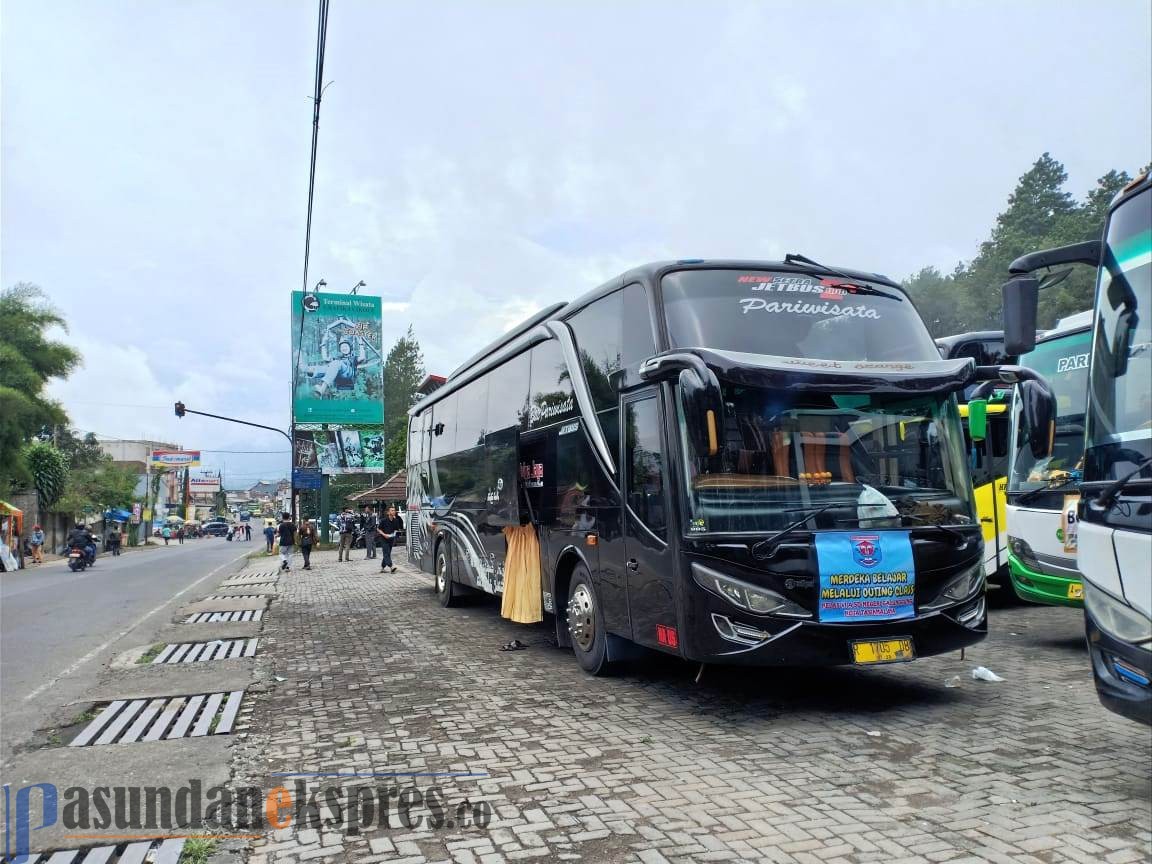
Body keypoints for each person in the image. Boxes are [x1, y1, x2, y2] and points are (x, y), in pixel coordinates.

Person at [377, 505, 404, 573]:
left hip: (391, 539)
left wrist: (393, 535)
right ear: (388, 512)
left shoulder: (396, 521)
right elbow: (378, 529)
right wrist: (384, 535)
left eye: (394, 510)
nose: (393, 511)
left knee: (387, 553)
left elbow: (396, 530)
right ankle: (391, 566)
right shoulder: (384, 520)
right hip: (383, 538)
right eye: (392, 510)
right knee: (386, 553)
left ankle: (382, 567)